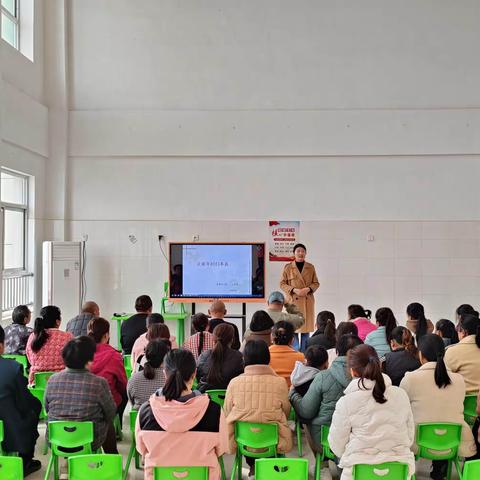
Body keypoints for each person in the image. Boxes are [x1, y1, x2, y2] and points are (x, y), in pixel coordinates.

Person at [136, 349, 227, 480]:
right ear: (194, 374)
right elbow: (221, 449)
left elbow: (142, 450)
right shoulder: (214, 411)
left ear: (165, 374)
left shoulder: (145, 411)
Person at [328, 344, 415, 480]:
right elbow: (409, 437)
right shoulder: (400, 395)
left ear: (352, 371)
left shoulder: (346, 402)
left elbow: (336, 446)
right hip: (398, 472)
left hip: (358, 472)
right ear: (378, 366)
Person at [400, 334, 477, 480]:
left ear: (421, 355)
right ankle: (440, 469)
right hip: (453, 443)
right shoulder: (458, 380)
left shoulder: (410, 379)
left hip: (418, 444)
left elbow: (402, 410)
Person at [290, 334, 362, 480]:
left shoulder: (323, 377)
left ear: (336, 352)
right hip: (359, 438)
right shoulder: (370, 377)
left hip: (324, 439)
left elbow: (306, 411)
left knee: (308, 419)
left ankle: (322, 466)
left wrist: (293, 395)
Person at [224, 340, 292, 477]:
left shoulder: (234, 382)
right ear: (268, 358)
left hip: (243, 442)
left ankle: (253, 468)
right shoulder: (280, 382)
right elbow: (286, 411)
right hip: (274, 441)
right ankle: (268, 471)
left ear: (245, 359)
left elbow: (227, 411)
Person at [45, 337, 117, 453]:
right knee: (108, 424)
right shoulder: (98, 382)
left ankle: (69, 460)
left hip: (57, 440)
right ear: (88, 361)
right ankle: (113, 460)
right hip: (88, 441)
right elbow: (111, 413)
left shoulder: (52, 380)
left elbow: (47, 408)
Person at [0, 325, 42, 476]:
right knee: (34, 407)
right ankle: (25, 461)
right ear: (1, 346)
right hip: (8, 431)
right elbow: (26, 403)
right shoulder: (12, 368)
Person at [88, 317, 128, 426]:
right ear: (106, 335)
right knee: (124, 394)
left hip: (83, 402)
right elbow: (122, 384)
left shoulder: (82, 351)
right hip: (107, 402)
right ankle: (116, 425)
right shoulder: (114, 355)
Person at [280, 244, 319, 352]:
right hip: (293, 302)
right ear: (294, 253)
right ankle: (296, 353)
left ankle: (305, 354)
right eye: (298, 251)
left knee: (306, 331)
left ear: (305, 253)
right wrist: (293, 290)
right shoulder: (288, 267)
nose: (301, 253)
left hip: (307, 301)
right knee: (293, 330)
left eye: (303, 251)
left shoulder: (310, 267)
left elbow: (316, 283)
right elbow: (282, 284)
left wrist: (309, 289)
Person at [25, 306, 73, 385]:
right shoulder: (67, 337)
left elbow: (30, 358)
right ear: (57, 321)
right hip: (62, 384)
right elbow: (73, 360)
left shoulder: (33, 336)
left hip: (36, 385)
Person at [197, 323, 244, 392]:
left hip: (206, 399)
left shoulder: (203, 356)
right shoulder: (239, 357)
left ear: (213, 337)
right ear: (232, 339)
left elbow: (198, 376)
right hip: (231, 397)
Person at [127, 340, 169, 409]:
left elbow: (132, 402)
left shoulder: (134, 379)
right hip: (166, 418)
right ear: (166, 356)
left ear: (146, 355)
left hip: (141, 418)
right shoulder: (172, 379)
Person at [445, 313, 480, 393]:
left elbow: (444, 380)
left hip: (464, 403)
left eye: (457, 329)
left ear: (464, 332)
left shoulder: (452, 351)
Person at [269, 321, 305, 387]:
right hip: (291, 396)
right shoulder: (301, 357)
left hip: (271, 394)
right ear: (292, 340)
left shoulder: (265, 355)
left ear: (271, 337)